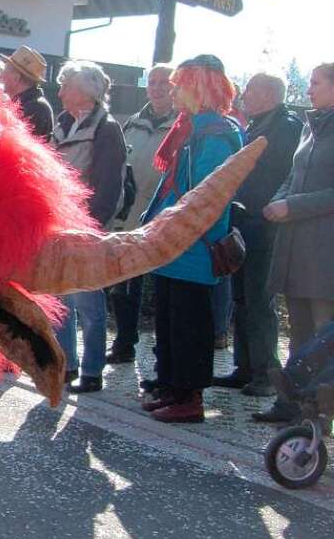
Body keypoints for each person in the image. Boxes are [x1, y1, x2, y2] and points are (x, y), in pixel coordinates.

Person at [142, 54, 243, 424]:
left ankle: (189, 397)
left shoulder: (215, 134)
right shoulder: (190, 129)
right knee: (170, 321)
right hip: (173, 243)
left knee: (189, 324)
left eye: (182, 83)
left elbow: (208, 195)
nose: (174, 90)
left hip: (193, 247)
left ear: (199, 87)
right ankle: (171, 388)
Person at [211, 73, 301, 397]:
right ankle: (245, 367)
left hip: (264, 224)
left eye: (249, 89)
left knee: (260, 299)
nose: (244, 95)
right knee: (242, 298)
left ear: (267, 94)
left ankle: (265, 372)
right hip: (244, 220)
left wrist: (264, 206)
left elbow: (282, 172)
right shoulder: (256, 124)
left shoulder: (287, 126)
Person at [258, 62, 334, 422]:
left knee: (324, 336)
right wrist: (278, 198)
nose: (309, 89)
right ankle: (291, 404)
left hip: (325, 254)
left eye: (316, 83)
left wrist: (293, 205)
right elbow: (293, 175)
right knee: (300, 333)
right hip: (296, 248)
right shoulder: (312, 127)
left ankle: (320, 416)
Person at [51, 61, 126, 393]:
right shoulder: (62, 123)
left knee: (89, 303)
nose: (61, 91)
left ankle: (92, 371)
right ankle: (65, 364)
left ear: (85, 92)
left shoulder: (107, 128)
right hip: (59, 224)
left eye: (66, 85)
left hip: (86, 227)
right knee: (60, 300)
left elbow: (110, 185)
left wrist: (90, 226)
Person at [107, 65, 176, 363]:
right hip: (129, 216)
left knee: (163, 292)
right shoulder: (133, 123)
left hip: (162, 217)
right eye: (153, 82)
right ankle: (124, 342)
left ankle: (163, 354)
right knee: (123, 285)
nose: (158, 88)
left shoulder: (182, 124)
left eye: (165, 82)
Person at [0, 45, 54, 141]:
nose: (1, 76)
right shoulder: (29, 104)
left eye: (5, 71)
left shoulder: (35, 108)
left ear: (16, 78)